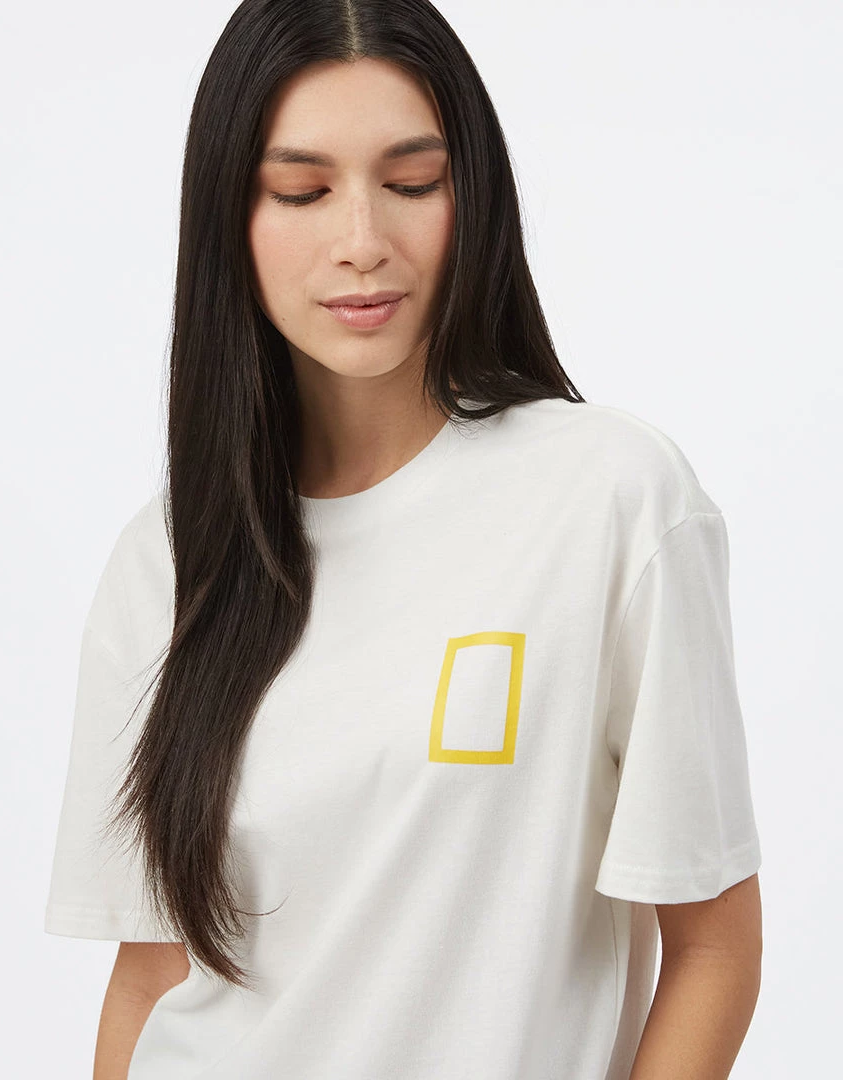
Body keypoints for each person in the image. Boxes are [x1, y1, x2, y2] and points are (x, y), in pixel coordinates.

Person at [44, 1, 763, 1078]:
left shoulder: (609, 500)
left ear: (473, 195)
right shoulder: (168, 562)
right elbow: (150, 977)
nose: (362, 242)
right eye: (302, 191)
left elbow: (713, 948)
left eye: (414, 182)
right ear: (229, 218)